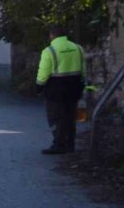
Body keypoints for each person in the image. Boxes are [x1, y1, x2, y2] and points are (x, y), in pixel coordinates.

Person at [36, 26, 86, 154]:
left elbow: (43, 72)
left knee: (55, 118)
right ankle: (70, 145)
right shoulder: (78, 48)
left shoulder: (49, 51)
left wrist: (39, 87)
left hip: (55, 91)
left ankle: (58, 145)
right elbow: (83, 69)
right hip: (74, 88)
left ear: (52, 35)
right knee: (70, 117)